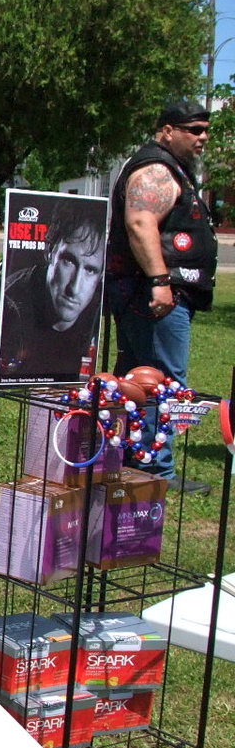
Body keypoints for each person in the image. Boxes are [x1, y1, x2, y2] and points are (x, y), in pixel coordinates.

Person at [106, 99, 217, 495]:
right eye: (195, 129)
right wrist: (160, 280)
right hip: (151, 296)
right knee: (163, 382)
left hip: (151, 293)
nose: (203, 137)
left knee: (139, 381)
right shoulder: (156, 169)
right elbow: (139, 223)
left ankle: (135, 463)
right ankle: (157, 471)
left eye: (205, 129)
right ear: (168, 130)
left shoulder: (170, 169)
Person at [0, 203, 105, 383]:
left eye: (91, 270)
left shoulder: (98, 309)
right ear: (50, 251)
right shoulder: (13, 302)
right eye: (69, 261)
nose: (75, 288)